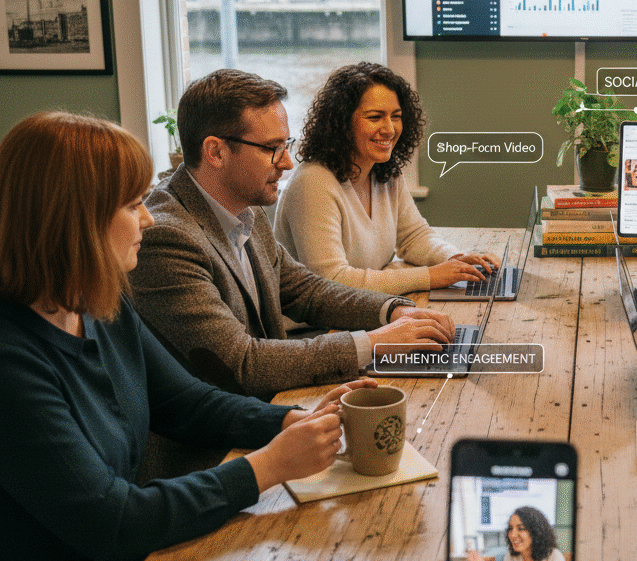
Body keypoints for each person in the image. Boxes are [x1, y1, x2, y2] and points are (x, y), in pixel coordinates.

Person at [0, 111, 378, 559]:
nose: (148, 219)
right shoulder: (12, 360)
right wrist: (269, 465)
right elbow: (115, 522)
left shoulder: (101, 303)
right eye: (131, 204)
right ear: (73, 220)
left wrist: (289, 420)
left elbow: (185, 403)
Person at [129, 69, 454, 399]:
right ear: (216, 152)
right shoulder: (167, 237)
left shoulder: (245, 206)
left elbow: (306, 290)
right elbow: (244, 364)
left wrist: (394, 311)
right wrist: (373, 343)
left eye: (286, 145)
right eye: (272, 148)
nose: (286, 162)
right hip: (217, 443)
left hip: (266, 406)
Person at [274, 62, 500, 296]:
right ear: (341, 123)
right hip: (315, 330)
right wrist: (431, 276)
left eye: (396, 116)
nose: (390, 129)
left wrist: (455, 259)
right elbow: (332, 281)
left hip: (366, 310)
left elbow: (413, 236)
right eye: (375, 117)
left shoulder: (384, 170)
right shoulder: (313, 182)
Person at [467, 506, 566, 561]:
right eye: (510, 529)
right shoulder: (511, 557)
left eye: (521, 528)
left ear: (536, 532)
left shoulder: (554, 556)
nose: (513, 535)